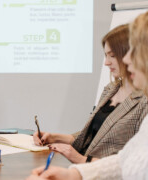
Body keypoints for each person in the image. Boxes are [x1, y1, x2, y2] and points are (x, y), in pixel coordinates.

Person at [26, 11, 148, 180]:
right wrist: (73, 172)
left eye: (113, 56)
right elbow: (124, 159)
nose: (127, 60)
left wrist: (80, 161)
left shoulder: (144, 102)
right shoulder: (110, 89)